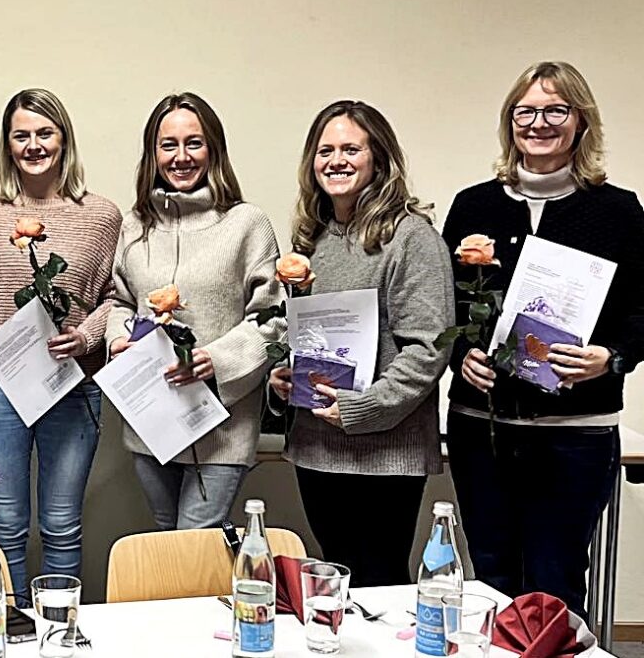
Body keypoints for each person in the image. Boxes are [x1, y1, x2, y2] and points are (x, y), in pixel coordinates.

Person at [443, 62, 644, 618]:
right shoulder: (473, 205)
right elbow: (444, 304)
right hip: (482, 427)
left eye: (556, 110)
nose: (539, 123)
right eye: (525, 111)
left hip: (574, 433)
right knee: (492, 579)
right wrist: (462, 356)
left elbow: (642, 310)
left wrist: (612, 358)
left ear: (582, 121)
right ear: (509, 121)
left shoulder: (618, 211)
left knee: (555, 583)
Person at [269, 100, 453, 587]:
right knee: (337, 581)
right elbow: (306, 335)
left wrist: (364, 407)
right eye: (325, 151)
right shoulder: (312, 240)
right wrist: (286, 377)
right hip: (316, 448)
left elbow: (428, 349)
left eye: (351, 149)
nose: (336, 161)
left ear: (379, 159)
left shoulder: (411, 238)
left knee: (379, 584)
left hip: (384, 453)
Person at [0, 88, 121, 606]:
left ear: (64, 139)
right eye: (21, 135)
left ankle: (57, 628)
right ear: (7, 144)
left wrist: (86, 336)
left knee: (62, 525)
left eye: (45, 133)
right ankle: (12, 627)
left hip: (72, 386)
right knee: (5, 526)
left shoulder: (103, 215)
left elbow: (119, 298)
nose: (33, 145)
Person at [104, 92, 284, 530]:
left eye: (194, 143)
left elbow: (273, 318)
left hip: (222, 428)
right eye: (168, 145)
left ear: (213, 149)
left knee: (195, 541)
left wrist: (216, 361)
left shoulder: (247, 224)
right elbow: (119, 300)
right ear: (153, 154)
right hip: (152, 422)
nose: (181, 157)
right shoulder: (134, 226)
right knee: (167, 542)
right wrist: (117, 339)